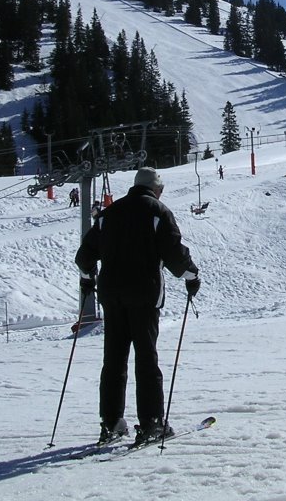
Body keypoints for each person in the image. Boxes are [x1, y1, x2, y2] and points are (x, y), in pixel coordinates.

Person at [75, 167, 201, 447]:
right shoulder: (158, 212)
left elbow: (85, 255)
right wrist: (192, 276)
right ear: (156, 189)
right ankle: (152, 423)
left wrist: (88, 278)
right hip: (144, 295)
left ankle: (111, 423)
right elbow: (175, 255)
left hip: (111, 296)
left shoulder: (110, 213)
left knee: (114, 359)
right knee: (146, 358)